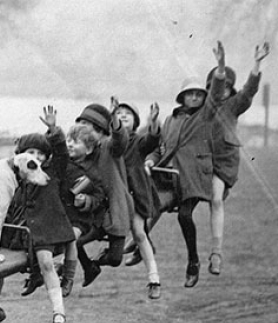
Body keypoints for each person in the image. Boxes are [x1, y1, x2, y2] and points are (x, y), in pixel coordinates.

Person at [0, 106, 75, 323]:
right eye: (31, 153)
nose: (36, 158)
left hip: (44, 231)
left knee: (46, 263)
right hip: (17, 232)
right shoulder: (14, 178)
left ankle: (58, 312)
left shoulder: (51, 172)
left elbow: (61, 152)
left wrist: (54, 130)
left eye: (41, 154)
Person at [145, 41, 227, 287]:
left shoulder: (205, 116)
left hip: (192, 177)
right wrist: (150, 161)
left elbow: (217, 93)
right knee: (148, 207)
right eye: (190, 93)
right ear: (182, 97)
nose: (195, 97)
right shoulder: (170, 119)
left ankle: (193, 261)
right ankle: (141, 245)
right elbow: (161, 148)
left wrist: (221, 66)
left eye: (199, 94)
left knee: (184, 215)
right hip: (169, 176)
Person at [205, 41, 270, 276]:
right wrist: (220, 66)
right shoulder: (205, 108)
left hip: (223, 162)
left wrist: (257, 63)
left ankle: (216, 253)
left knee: (216, 200)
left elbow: (249, 90)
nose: (221, 90)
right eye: (216, 86)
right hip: (201, 160)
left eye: (226, 86)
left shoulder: (233, 105)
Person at [73, 102, 133, 287]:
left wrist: (114, 119)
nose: (82, 127)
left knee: (115, 259)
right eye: (80, 122)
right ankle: (89, 267)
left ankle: (98, 260)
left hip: (115, 212)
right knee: (73, 242)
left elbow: (120, 140)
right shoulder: (82, 150)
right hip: (94, 213)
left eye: (86, 123)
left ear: (98, 129)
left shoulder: (108, 146)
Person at [112, 98, 164, 299]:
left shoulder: (138, 142)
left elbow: (152, 140)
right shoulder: (111, 143)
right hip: (116, 196)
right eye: (119, 113)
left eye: (128, 113)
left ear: (135, 122)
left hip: (135, 195)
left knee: (139, 233)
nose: (123, 115)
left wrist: (153, 122)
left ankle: (154, 278)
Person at [62, 123, 107, 289]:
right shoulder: (64, 164)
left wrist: (86, 200)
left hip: (81, 218)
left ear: (88, 150)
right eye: (68, 140)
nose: (70, 144)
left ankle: (68, 276)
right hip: (63, 214)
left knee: (71, 238)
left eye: (76, 141)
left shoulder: (93, 172)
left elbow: (99, 196)